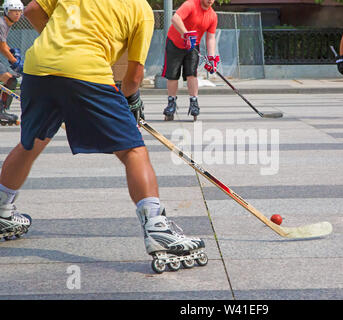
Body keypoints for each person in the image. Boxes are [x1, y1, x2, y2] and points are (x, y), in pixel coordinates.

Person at [0, 0, 207, 273]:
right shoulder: (140, 9)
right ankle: (158, 229)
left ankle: (2, 211)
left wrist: (58, 40)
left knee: (31, 143)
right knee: (133, 150)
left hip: (40, 67)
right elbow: (134, 73)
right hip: (87, 73)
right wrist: (131, 101)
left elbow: (32, 10)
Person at [162, 0, 218, 121]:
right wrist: (185, 34)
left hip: (193, 46)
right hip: (175, 42)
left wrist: (211, 57)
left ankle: (194, 102)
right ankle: (171, 103)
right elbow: (175, 18)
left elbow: (210, 37)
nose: (210, 0)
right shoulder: (191, 4)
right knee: (172, 75)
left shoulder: (212, 15)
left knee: (192, 74)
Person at [0, 0, 24, 126]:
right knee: (7, 78)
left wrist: (12, 53)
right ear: (6, 11)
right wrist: (15, 62)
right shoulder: (1, 24)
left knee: (11, 80)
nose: (17, 14)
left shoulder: (6, 24)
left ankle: (2, 110)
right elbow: (2, 47)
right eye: (14, 11)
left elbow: (4, 46)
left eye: (19, 11)